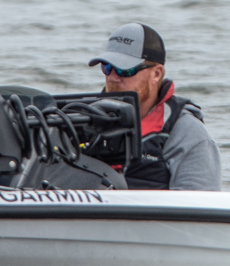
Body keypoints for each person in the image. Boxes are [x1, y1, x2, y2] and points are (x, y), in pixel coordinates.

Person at [89, 22, 222, 191]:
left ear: (156, 74)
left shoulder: (187, 133)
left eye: (125, 70)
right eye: (107, 67)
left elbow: (200, 207)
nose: (113, 78)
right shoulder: (81, 123)